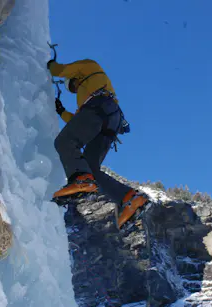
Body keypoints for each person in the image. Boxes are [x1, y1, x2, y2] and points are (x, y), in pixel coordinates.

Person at [47, 58, 150, 229]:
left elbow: (59, 70)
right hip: (110, 119)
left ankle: (80, 180)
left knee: (64, 141)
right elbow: (80, 123)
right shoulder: (88, 94)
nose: (75, 89)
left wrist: (48, 63)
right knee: (90, 168)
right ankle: (130, 198)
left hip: (100, 107)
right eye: (72, 89)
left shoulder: (88, 66)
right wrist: (62, 111)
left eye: (73, 85)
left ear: (75, 77)